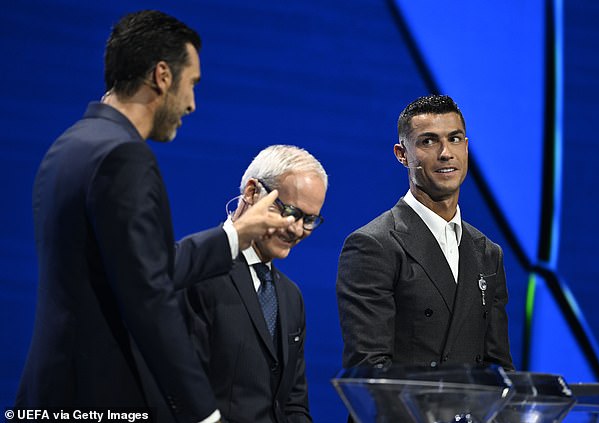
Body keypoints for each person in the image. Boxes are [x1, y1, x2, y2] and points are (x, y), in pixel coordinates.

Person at [16, 10, 293, 423]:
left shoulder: (70, 145)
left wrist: (235, 234)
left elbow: (143, 269)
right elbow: (150, 299)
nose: (192, 104)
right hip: (98, 398)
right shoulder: (125, 156)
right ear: (162, 75)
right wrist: (204, 414)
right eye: (192, 85)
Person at [336, 94, 513, 373]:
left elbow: (498, 368)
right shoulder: (373, 245)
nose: (446, 152)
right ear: (402, 154)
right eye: (428, 141)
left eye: (455, 139)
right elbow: (369, 370)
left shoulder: (488, 253)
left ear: (466, 148)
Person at [183, 145, 327, 423]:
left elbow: (294, 404)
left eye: (309, 220)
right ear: (251, 192)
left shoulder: (290, 297)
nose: (296, 229)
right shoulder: (198, 271)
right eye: (288, 211)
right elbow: (184, 393)